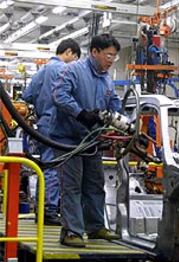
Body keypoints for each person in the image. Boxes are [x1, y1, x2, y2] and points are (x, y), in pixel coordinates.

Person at [50, 34, 122, 247]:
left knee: (94, 183)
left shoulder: (106, 79)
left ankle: (95, 227)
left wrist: (122, 122)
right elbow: (59, 95)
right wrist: (81, 114)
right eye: (108, 55)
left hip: (91, 140)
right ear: (94, 52)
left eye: (114, 57)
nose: (111, 60)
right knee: (72, 185)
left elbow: (114, 104)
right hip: (67, 138)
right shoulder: (72, 70)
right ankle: (71, 232)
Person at [22, 39, 81, 225]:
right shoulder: (65, 70)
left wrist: (42, 103)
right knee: (54, 167)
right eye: (75, 58)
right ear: (69, 52)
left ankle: (42, 208)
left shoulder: (43, 70)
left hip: (42, 124)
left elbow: (27, 95)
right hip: (57, 124)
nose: (75, 62)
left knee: (46, 166)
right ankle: (48, 209)